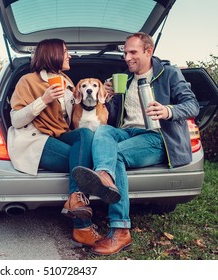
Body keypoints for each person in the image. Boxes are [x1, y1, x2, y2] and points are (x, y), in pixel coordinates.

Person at [72, 32, 200, 255]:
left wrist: (168, 110)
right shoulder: (125, 79)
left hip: (157, 136)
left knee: (117, 155)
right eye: (125, 53)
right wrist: (108, 99)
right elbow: (113, 116)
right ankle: (105, 175)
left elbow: (192, 105)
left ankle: (120, 230)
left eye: (133, 52)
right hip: (127, 132)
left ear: (148, 51)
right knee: (103, 131)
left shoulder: (168, 73)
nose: (127, 57)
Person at [7, 38, 118, 247]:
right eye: (66, 52)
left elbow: (77, 115)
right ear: (53, 54)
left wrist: (105, 97)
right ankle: (82, 226)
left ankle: (75, 199)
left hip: (60, 135)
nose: (70, 55)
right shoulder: (27, 81)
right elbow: (16, 120)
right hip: (36, 138)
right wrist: (44, 99)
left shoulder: (67, 82)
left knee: (85, 135)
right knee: (83, 161)